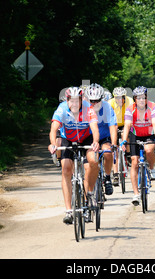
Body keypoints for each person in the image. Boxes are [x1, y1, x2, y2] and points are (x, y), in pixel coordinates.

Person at [48, 86, 100, 224]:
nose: (74, 104)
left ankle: (89, 193)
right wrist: (53, 144)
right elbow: (53, 129)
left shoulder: (88, 109)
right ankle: (69, 211)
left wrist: (95, 142)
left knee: (93, 161)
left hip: (86, 138)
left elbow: (94, 128)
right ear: (68, 100)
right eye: (72, 101)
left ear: (82, 100)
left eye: (77, 101)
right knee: (65, 168)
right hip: (69, 139)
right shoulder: (62, 109)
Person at [121, 86, 155, 206]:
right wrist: (124, 141)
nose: (141, 100)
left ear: (146, 98)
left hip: (149, 134)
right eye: (138, 98)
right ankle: (135, 194)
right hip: (135, 134)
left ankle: (152, 169)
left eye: (143, 98)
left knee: (149, 150)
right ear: (134, 99)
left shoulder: (152, 106)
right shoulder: (130, 109)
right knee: (134, 162)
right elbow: (127, 126)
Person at [85, 83, 118, 196]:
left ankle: (108, 177)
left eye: (97, 100)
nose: (94, 103)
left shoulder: (107, 107)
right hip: (89, 138)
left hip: (104, 136)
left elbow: (113, 127)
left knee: (108, 152)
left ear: (102, 99)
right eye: (91, 100)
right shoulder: (83, 108)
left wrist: (113, 144)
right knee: (88, 163)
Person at [108, 87, 134, 185]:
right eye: (117, 98)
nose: (119, 100)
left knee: (125, 134)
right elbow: (108, 117)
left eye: (121, 98)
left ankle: (128, 154)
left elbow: (132, 115)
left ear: (124, 97)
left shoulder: (130, 101)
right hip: (114, 124)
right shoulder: (110, 103)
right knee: (114, 149)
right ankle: (115, 174)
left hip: (126, 123)